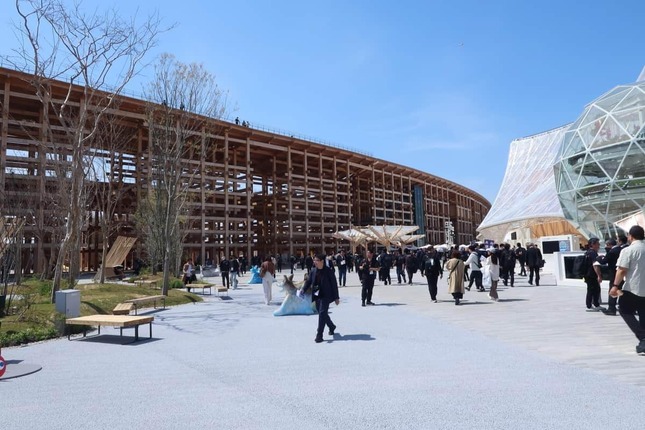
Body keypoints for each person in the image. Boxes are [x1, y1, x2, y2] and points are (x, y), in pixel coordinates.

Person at [611, 225, 645, 355]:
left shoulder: (628, 250)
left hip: (633, 287)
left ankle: (643, 337)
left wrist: (615, 285)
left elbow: (622, 270)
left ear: (630, 236)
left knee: (625, 310)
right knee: (643, 313)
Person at [301, 254, 340, 343]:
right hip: (316, 294)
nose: (314, 262)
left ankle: (319, 335)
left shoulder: (329, 271)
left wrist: (336, 297)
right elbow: (309, 281)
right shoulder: (313, 270)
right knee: (322, 313)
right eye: (314, 260)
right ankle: (331, 326)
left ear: (322, 261)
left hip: (326, 295)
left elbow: (334, 284)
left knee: (322, 313)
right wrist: (303, 290)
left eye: (316, 260)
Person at [583, 238, 603, 311]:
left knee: (591, 290)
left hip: (587, 274)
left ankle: (592, 304)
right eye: (597, 244)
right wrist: (599, 276)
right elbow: (595, 265)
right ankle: (591, 305)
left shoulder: (587, 252)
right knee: (594, 290)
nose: (599, 245)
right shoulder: (593, 253)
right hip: (592, 275)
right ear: (593, 244)